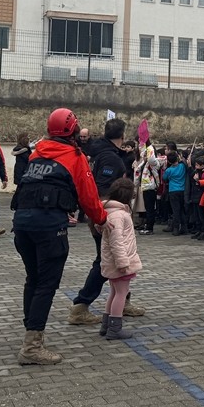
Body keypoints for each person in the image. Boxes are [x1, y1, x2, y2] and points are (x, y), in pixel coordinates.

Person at [11, 108, 108, 365]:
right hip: (49, 227)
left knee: (33, 279)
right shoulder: (75, 157)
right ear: (74, 130)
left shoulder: (37, 153)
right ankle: (31, 346)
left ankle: (30, 332)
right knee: (46, 284)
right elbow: (88, 196)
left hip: (21, 225)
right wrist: (103, 220)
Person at [68, 118, 134, 327]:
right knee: (106, 261)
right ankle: (81, 305)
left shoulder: (99, 151)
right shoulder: (110, 158)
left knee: (116, 258)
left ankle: (123, 300)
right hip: (105, 216)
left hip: (101, 212)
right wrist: (110, 212)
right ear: (122, 136)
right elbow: (102, 187)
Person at [99, 177, 142, 340]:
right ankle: (115, 328)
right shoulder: (119, 215)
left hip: (113, 261)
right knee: (121, 293)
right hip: (119, 262)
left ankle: (106, 325)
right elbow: (117, 242)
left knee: (114, 292)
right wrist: (123, 262)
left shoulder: (111, 211)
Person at [163, 151, 188, 235]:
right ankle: (184, 227)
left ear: (169, 161)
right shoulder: (182, 166)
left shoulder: (169, 170)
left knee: (175, 210)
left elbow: (164, 178)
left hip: (173, 191)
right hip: (182, 190)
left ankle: (176, 228)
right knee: (182, 210)